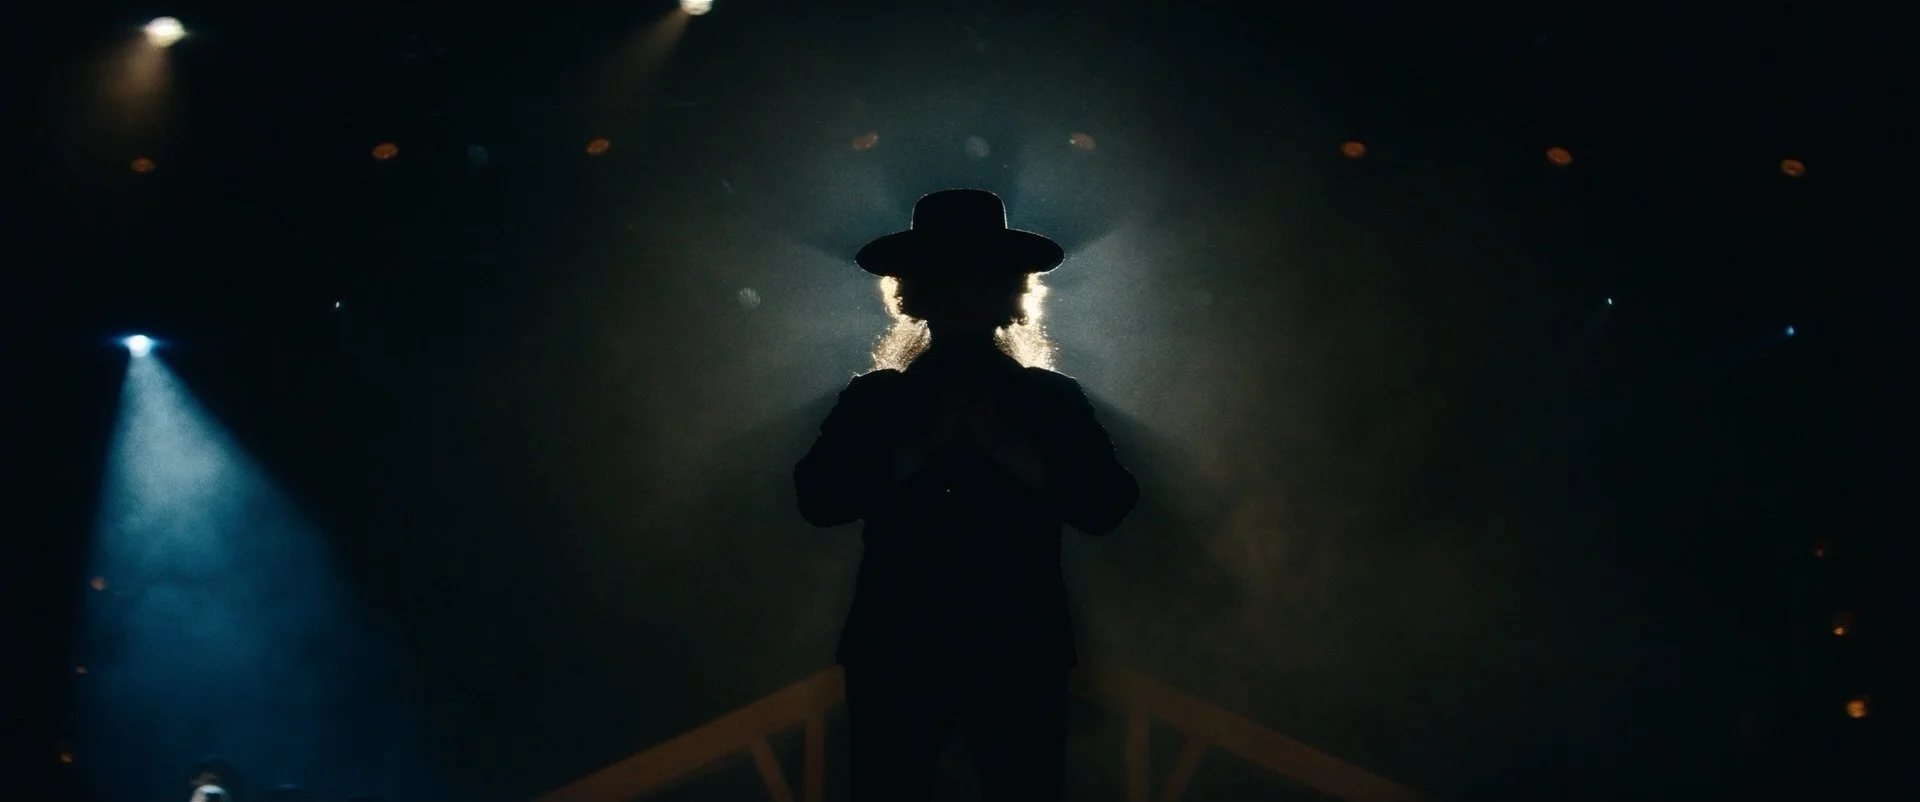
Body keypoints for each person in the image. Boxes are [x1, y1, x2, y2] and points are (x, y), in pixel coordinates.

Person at [794, 188, 1140, 802]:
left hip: (994, 646)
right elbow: (819, 500)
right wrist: (919, 451)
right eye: (946, 278)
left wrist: (1005, 451)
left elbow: (1107, 505)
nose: (961, 292)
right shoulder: (881, 398)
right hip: (925, 645)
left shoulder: (1045, 399)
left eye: (975, 277)